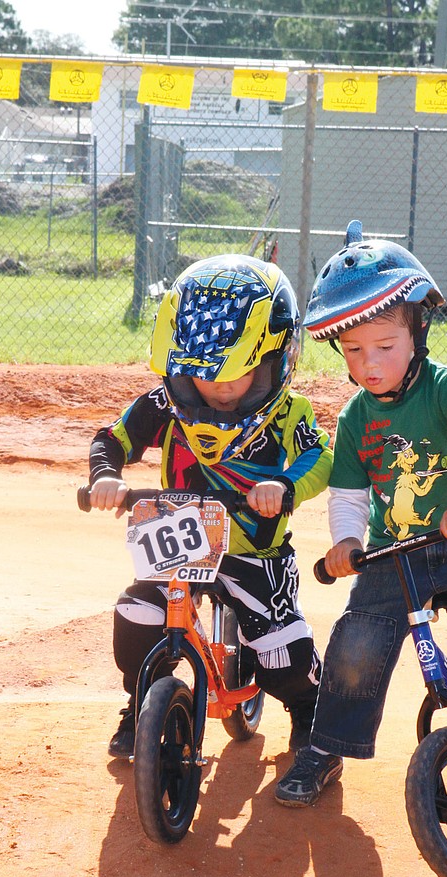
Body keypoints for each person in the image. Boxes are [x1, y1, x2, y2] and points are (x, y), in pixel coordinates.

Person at [275, 222, 447, 808]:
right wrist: (346, 542)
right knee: (354, 645)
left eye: (384, 346)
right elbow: (350, 493)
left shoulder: (444, 387)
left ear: (417, 332)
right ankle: (326, 748)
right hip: (393, 555)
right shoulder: (356, 418)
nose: (369, 363)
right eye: (354, 351)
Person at [88, 253, 333, 763]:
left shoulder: (290, 411)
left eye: (237, 372)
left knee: (280, 656)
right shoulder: (164, 404)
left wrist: (285, 486)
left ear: (273, 361)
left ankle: (311, 717)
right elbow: (111, 440)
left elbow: (319, 455)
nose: (220, 387)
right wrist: (106, 477)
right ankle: (139, 703)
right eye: (204, 374)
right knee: (136, 617)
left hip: (254, 552)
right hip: (179, 544)